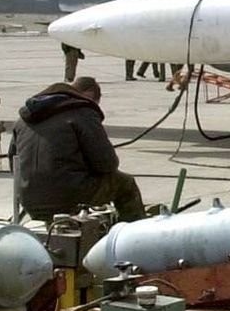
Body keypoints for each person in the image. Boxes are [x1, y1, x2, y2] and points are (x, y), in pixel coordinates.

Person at [11, 76, 145, 221]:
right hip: (70, 196)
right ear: (89, 96)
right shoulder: (82, 112)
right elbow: (107, 163)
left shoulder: (23, 119)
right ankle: (134, 232)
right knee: (126, 184)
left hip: (29, 198)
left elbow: (14, 163)